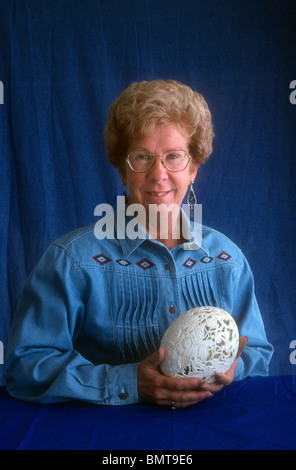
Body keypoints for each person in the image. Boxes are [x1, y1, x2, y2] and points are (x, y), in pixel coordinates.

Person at [3, 80, 273, 408]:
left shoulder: (227, 260)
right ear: (121, 171)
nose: (158, 174)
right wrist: (128, 382)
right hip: (104, 436)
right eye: (142, 157)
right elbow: (25, 366)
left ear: (193, 169)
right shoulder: (71, 261)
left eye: (174, 157)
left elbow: (257, 352)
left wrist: (232, 366)